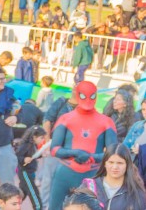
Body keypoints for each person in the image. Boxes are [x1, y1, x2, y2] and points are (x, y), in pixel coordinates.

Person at [48, 81, 118, 210]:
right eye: (84, 96)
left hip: (91, 174)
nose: (87, 100)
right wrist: (75, 153)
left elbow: (113, 153)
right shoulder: (65, 118)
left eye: (91, 96)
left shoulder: (106, 122)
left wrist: (91, 157)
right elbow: (54, 149)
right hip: (67, 173)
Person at [79, 144, 146, 210]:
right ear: (105, 163)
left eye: (120, 163)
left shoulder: (135, 192)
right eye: (111, 162)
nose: (115, 167)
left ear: (127, 165)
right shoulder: (89, 186)